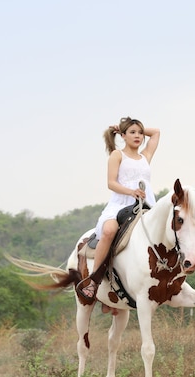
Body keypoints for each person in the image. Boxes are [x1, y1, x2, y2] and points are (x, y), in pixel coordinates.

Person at [77, 116, 160, 303]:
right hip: (120, 204)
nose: (138, 136)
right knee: (108, 231)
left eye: (140, 133)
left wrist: (129, 127)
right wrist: (131, 192)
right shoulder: (117, 155)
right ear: (123, 136)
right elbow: (111, 183)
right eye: (132, 133)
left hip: (144, 206)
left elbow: (156, 132)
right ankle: (94, 281)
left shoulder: (145, 156)